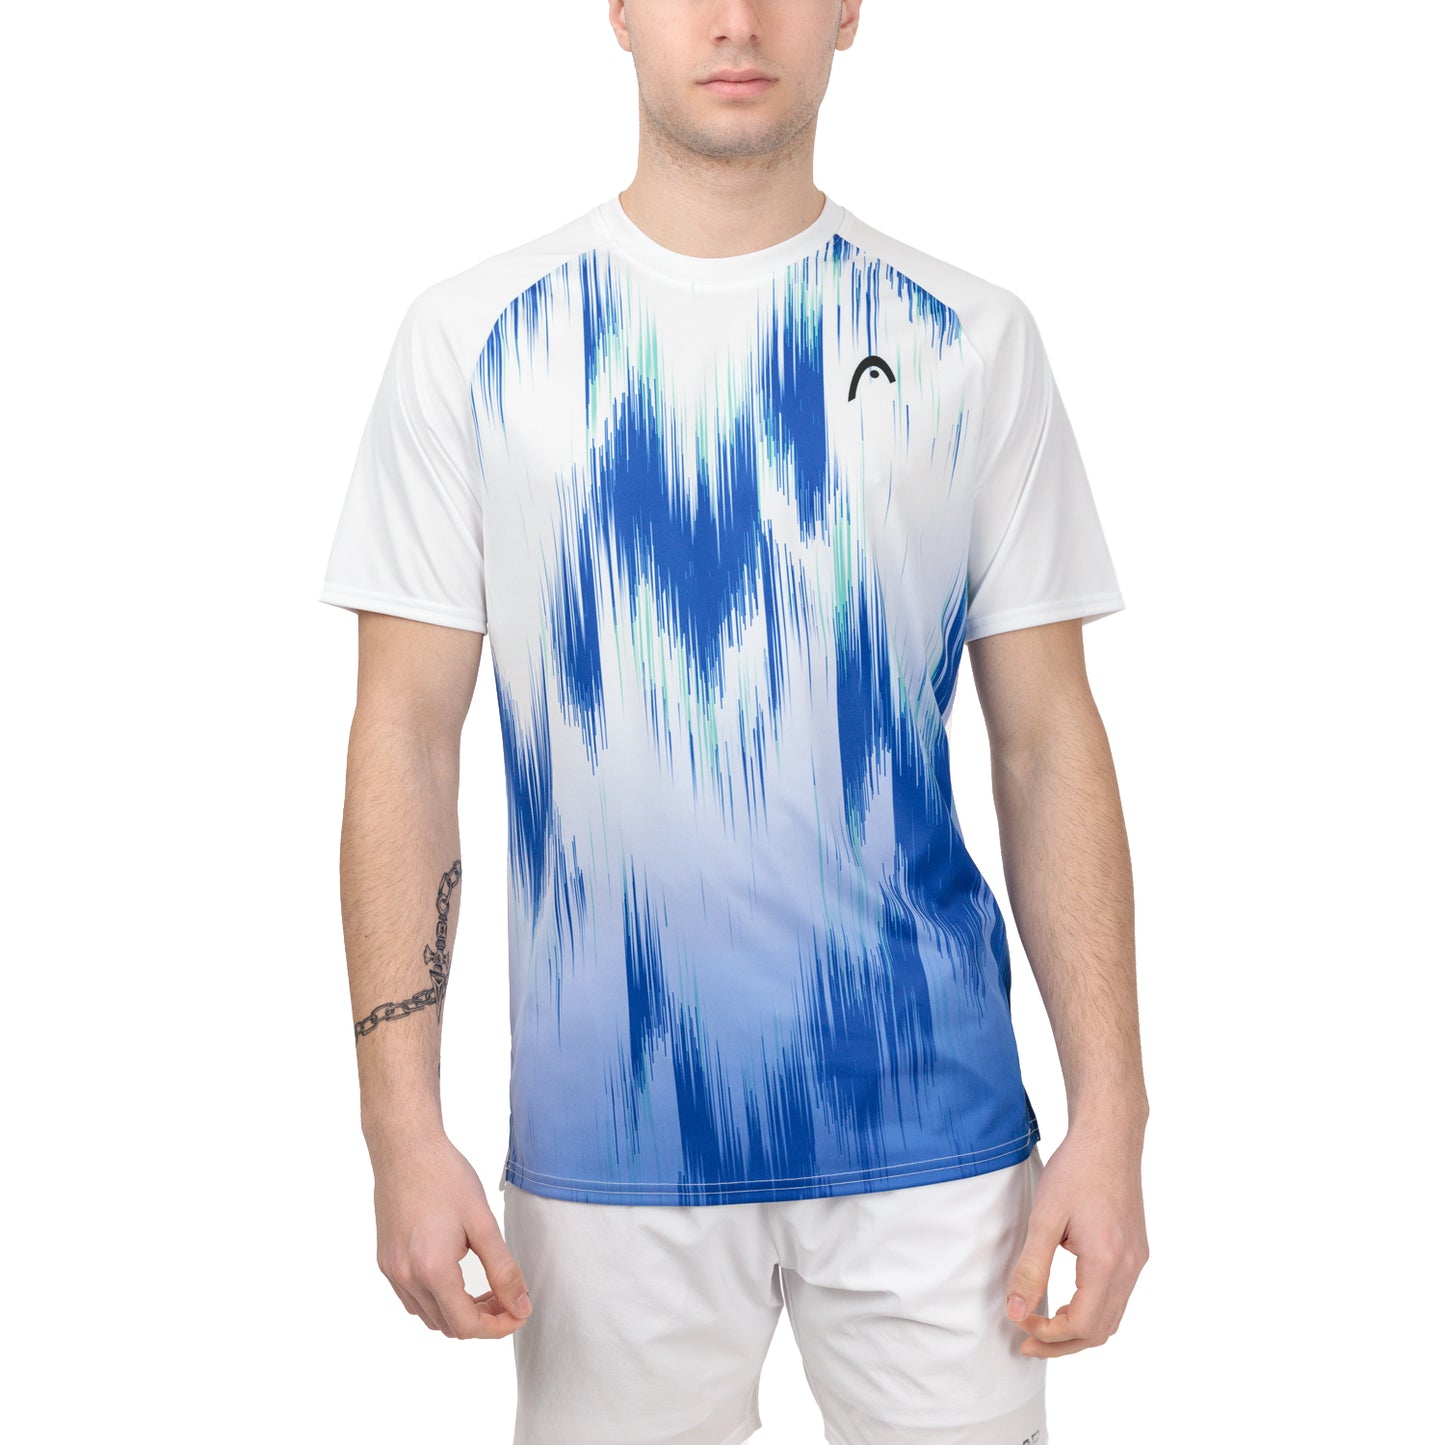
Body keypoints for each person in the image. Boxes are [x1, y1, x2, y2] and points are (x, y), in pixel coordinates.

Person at [318, 2, 1149, 1441]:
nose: (735, 20)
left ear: (848, 13)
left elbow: (1045, 739)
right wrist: (400, 1127)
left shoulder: (967, 338)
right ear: (618, 12)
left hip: (934, 1140)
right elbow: (402, 735)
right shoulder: (473, 338)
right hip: (604, 1152)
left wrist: (1113, 1112)